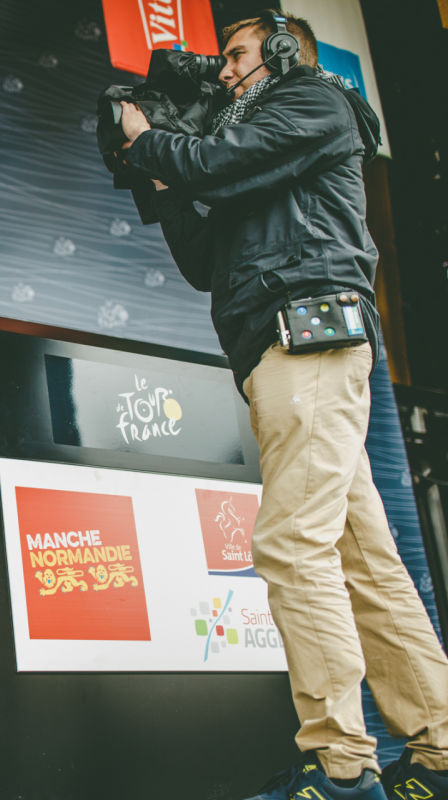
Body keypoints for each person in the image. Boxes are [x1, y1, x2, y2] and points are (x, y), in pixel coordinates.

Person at [117, 9, 448, 800]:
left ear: (280, 48)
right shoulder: (255, 155)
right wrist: (158, 179)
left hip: (308, 336)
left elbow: (215, 160)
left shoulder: (312, 99)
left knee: (294, 547)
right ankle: (438, 751)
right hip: (286, 346)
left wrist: (146, 138)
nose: (225, 71)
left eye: (236, 55)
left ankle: (341, 766)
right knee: (364, 561)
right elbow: (204, 261)